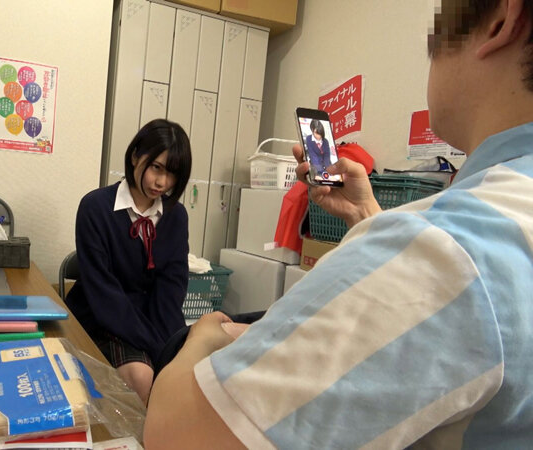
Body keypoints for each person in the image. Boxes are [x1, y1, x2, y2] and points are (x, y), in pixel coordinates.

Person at [144, 0, 533, 448]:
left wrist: (201, 337)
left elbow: (178, 435)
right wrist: (368, 218)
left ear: (501, 20)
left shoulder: (449, 252)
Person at [65, 118, 192, 404]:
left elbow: (171, 289)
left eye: (172, 174)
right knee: (142, 376)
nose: (162, 183)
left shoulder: (176, 216)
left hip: (152, 322)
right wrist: (156, 348)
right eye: (156, 167)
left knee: (189, 374)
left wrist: (170, 348)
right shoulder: (95, 207)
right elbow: (104, 294)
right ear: (135, 156)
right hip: (103, 317)